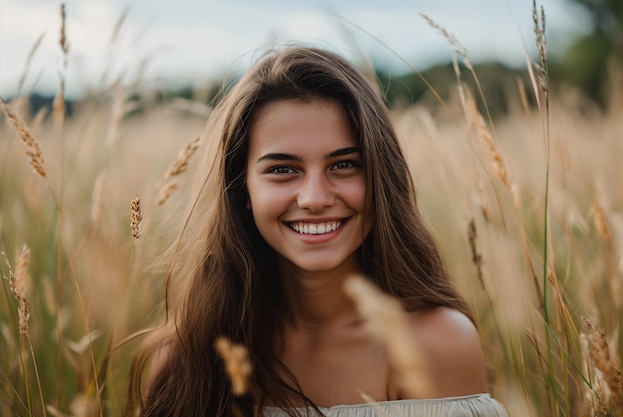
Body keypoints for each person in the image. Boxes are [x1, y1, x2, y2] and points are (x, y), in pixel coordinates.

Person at [127, 46, 509, 417]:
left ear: (381, 177)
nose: (314, 198)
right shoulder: (185, 357)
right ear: (243, 190)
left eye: (344, 164)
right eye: (282, 169)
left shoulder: (436, 345)